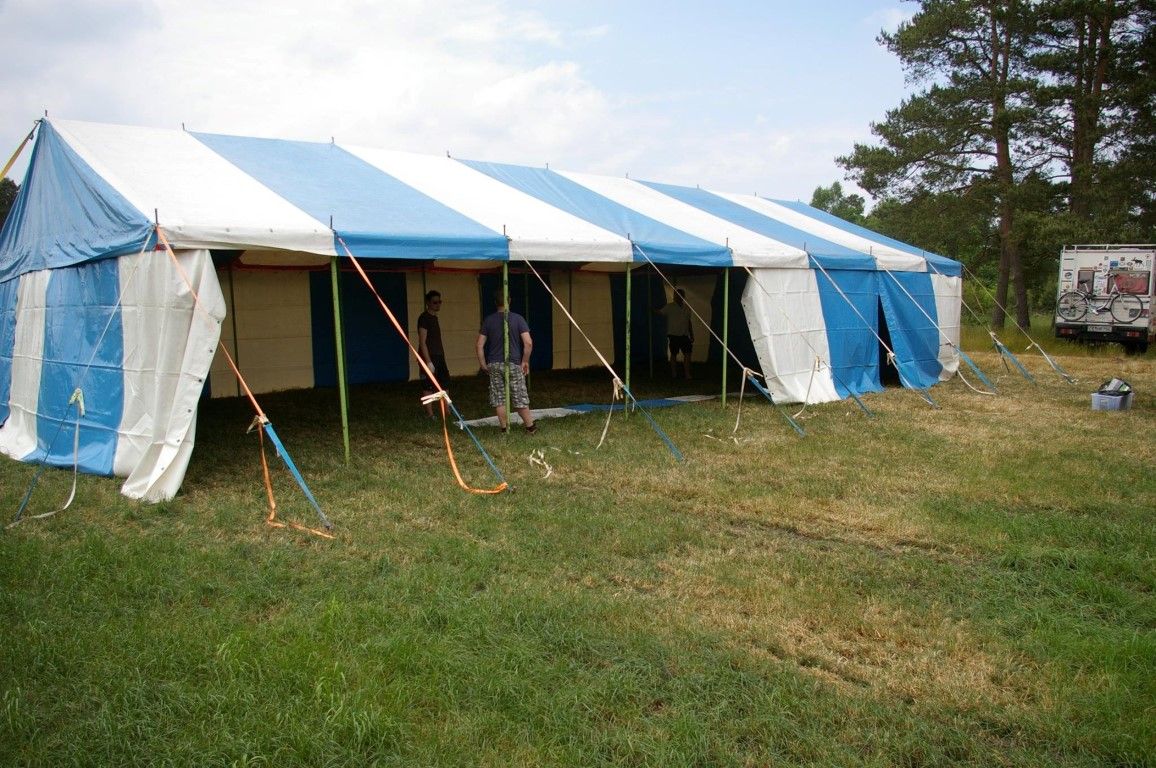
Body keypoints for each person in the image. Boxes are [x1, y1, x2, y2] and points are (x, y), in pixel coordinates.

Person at [476, 292, 537, 433]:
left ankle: (504, 428)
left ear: (495, 302)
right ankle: (530, 427)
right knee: (519, 395)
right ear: (509, 300)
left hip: (494, 363)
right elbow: (528, 343)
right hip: (513, 362)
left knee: (499, 398)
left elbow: (479, 345)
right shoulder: (518, 319)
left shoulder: (488, 320)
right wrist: (525, 361)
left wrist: (483, 364)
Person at [417, 290, 450, 418]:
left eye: (439, 302)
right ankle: (430, 414)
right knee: (428, 386)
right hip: (429, 356)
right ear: (428, 303)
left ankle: (447, 411)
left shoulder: (434, 318)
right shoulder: (424, 318)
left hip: (439, 355)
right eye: (435, 302)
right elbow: (422, 342)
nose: (438, 305)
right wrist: (428, 361)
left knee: (444, 383)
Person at [657, 288, 694, 380]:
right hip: (674, 335)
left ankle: (687, 373)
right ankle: (674, 373)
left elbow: (689, 322)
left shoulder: (687, 308)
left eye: (679, 295)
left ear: (683, 297)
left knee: (688, 353)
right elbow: (660, 312)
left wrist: (692, 334)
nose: (677, 297)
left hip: (685, 335)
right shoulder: (669, 307)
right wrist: (651, 309)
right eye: (676, 295)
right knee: (674, 354)